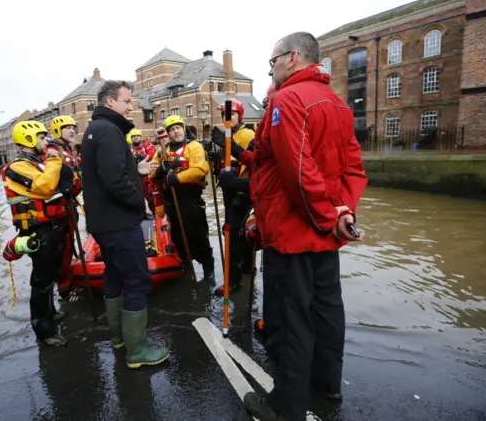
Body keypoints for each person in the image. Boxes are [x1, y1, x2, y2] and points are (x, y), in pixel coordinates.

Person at [241, 32, 368, 421]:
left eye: (273, 61)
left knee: (292, 317)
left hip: (294, 232)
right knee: (328, 310)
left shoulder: (287, 100)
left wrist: (327, 218)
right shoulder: (338, 104)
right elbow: (352, 168)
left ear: (292, 58)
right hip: (326, 233)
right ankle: (328, 384)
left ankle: (286, 407)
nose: (272, 68)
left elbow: (298, 172)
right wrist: (342, 213)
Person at [80, 80, 169, 369]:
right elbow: (114, 181)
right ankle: (137, 351)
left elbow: (113, 170)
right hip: (119, 221)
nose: (132, 106)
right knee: (137, 280)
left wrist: (136, 167)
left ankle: (119, 338)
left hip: (104, 222)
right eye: (126, 100)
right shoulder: (108, 131)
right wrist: (138, 202)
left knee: (114, 277)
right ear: (109, 101)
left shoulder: (97, 130)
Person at [1, 120, 72, 347]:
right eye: (42, 138)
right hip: (37, 230)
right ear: (30, 139)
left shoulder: (36, 164)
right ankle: (43, 330)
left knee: (51, 274)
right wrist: (53, 158)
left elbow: (58, 183)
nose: (45, 142)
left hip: (53, 225)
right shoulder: (16, 168)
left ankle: (51, 312)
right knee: (41, 281)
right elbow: (45, 187)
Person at [150, 115, 214, 280]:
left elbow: (200, 169)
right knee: (178, 238)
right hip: (172, 202)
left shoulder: (194, 147)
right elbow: (151, 173)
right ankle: (186, 266)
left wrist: (177, 178)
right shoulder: (162, 151)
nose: (175, 131)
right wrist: (159, 172)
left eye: (178, 127)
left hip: (191, 200)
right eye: (171, 129)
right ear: (168, 134)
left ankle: (208, 269)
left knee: (199, 236)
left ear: (183, 128)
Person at [211, 100, 256, 297]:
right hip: (229, 190)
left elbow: (251, 161)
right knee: (233, 231)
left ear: (241, 116)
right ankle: (245, 268)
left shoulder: (247, 135)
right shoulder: (227, 134)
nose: (228, 119)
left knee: (234, 234)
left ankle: (234, 279)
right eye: (225, 115)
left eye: (232, 115)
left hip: (242, 191)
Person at [46, 115, 82, 298]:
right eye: (67, 127)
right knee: (63, 246)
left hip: (70, 204)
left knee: (70, 242)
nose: (72, 130)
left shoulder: (68, 150)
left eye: (73, 127)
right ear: (58, 131)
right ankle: (64, 288)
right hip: (59, 207)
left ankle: (67, 280)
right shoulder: (53, 150)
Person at [128, 128, 157, 212]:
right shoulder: (129, 148)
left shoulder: (147, 145)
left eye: (138, 136)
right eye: (134, 136)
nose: (136, 137)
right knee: (137, 197)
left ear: (141, 137)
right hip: (135, 176)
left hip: (147, 176)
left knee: (150, 197)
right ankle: (141, 213)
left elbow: (152, 153)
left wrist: (144, 158)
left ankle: (155, 213)